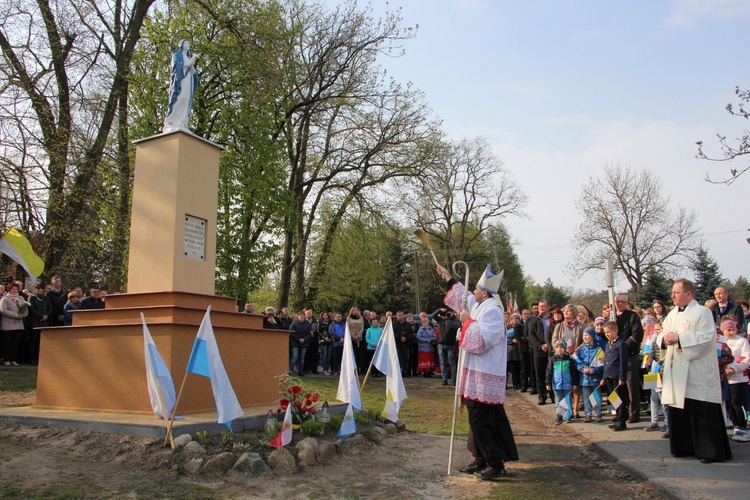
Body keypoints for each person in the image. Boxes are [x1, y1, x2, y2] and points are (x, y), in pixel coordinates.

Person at [437, 263, 518, 481]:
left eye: (477, 288)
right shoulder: (481, 305)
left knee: (482, 419)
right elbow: (464, 297)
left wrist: (467, 322)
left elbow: (483, 339)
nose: (473, 291)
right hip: (475, 372)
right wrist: (448, 277)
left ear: (486, 291)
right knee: (478, 418)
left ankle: (496, 463)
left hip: (485, 373)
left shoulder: (492, 310)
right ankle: (482, 458)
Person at [658, 279, 732, 463]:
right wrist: (664, 337)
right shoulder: (672, 314)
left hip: (697, 369)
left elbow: (707, 337)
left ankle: (709, 451)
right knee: (680, 408)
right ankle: (683, 447)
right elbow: (662, 332)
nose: (672, 296)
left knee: (701, 410)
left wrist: (679, 338)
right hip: (677, 370)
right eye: (672, 292)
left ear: (689, 294)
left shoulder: (702, 312)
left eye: (676, 292)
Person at [614, 293, 644, 423]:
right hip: (615, 358)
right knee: (615, 386)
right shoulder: (611, 317)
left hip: (629, 355)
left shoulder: (633, 316)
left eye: (622, 301)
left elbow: (637, 335)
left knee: (631, 386)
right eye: (617, 301)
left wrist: (622, 347)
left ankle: (634, 412)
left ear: (626, 303)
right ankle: (620, 411)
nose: (620, 304)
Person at [720, 317, 750, 442]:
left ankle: (743, 427)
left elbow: (746, 359)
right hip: (725, 378)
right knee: (729, 403)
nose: (731, 332)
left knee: (736, 402)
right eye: (728, 330)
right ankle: (737, 426)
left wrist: (734, 369)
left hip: (738, 378)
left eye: (733, 329)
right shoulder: (721, 342)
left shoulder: (742, 341)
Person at [163, 39, 199, 132]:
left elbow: (193, 71)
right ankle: (172, 121)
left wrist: (191, 64)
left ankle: (182, 122)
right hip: (180, 81)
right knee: (180, 97)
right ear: (181, 45)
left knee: (186, 99)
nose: (188, 45)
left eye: (189, 43)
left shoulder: (187, 57)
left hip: (188, 81)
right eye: (186, 43)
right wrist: (192, 60)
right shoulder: (177, 55)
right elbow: (177, 66)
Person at [601, 321, 629, 431]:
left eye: (609, 332)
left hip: (617, 376)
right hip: (608, 376)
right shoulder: (607, 345)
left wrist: (622, 377)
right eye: (605, 332)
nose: (607, 334)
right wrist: (603, 377)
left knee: (620, 399)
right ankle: (618, 417)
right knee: (613, 399)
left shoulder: (621, 344)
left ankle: (622, 420)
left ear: (615, 331)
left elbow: (623, 361)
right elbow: (606, 362)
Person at [546, 340, 579, 425]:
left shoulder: (569, 360)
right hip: (557, 384)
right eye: (557, 347)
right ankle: (559, 416)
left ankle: (568, 416)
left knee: (567, 400)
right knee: (558, 400)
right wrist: (548, 383)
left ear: (565, 348)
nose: (559, 349)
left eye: (561, 347)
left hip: (567, 384)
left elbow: (573, 372)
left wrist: (574, 383)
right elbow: (549, 372)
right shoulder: (553, 359)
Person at [527, 300, 553, 404]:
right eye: (539, 306)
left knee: (552, 373)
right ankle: (542, 395)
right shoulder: (534, 320)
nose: (540, 308)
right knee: (540, 373)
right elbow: (531, 335)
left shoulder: (553, 319)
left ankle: (553, 395)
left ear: (548, 307)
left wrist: (550, 345)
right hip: (539, 350)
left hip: (552, 350)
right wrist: (540, 345)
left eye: (543, 306)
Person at [576, 328, 604, 422]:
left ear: (592, 336)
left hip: (595, 378)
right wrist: (583, 369)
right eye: (584, 335)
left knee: (595, 396)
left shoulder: (598, 349)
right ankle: (587, 414)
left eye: (587, 335)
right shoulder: (581, 349)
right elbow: (577, 362)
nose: (585, 337)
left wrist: (594, 370)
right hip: (584, 379)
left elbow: (602, 364)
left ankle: (598, 413)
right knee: (586, 397)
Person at [1, 281, 29, 365]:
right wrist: (16, 315)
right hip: (8, 324)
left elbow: (26, 308)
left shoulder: (21, 298)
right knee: (7, 343)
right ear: (9, 289)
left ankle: (13, 359)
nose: (15, 291)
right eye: (13, 289)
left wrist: (23, 314)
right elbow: (3, 310)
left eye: (16, 289)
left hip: (19, 325)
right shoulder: (5, 299)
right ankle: (6, 360)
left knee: (15, 343)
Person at [434, 308, 460, 386]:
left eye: (448, 313)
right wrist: (439, 310)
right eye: (446, 313)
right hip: (441, 344)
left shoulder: (455, 320)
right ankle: (444, 379)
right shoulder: (442, 320)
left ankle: (453, 380)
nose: (447, 315)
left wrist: (449, 319)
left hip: (450, 345)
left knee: (452, 363)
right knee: (443, 363)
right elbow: (433, 316)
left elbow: (456, 326)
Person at [27, 282, 51, 365]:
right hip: (35, 322)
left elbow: (50, 308)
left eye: (41, 288)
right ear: (35, 289)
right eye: (38, 288)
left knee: (42, 341)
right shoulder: (32, 297)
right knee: (34, 341)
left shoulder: (45, 298)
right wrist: (41, 316)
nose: (40, 290)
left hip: (44, 322)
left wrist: (46, 316)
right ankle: (32, 358)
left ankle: (40, 358)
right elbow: (32, 309)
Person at [288, 310, 311, 376]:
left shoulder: (307, 324)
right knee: (294, 356)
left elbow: (309, 334)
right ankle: (290, 371)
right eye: (301, 315)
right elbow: (291, 332)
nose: (302, 317)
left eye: (303, 316)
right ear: (298, 316)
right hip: (295, 342)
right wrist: (298, 339)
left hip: (304, 343)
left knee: (302, 358)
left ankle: (300, 371)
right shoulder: (294, 323)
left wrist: (304, 339)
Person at [392, 311, 413, 378]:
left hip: (406, 344)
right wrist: (399, 338)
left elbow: (411, 333)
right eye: (399, 315)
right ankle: (398, 372)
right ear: (396, 316)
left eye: (401, 315)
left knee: (406, 359)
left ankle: (405, 372)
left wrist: (405, 338)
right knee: (398, 358)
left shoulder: (408, 324)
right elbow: (392, 333)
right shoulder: (394, 324)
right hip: (398, 344)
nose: (400, 316)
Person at [506, 313, 522, 390]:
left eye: (516, 319)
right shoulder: (508, 328)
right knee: (512, 368)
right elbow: (505, 338)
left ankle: (519, 383)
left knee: (519, 368)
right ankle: (514, 384)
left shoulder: (522, 327)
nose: (514, 321)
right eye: (513, 319)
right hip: (511, 351)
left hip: (520, 349)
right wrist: (512, 341)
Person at [330, 312, 345, 377]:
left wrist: (343, 338)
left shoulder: (344, 324)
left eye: (340, 317)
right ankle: (335, 371)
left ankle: (342, 371)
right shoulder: (332, 324)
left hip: (343, 344)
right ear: (335, 317)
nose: (339, 318)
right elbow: (332, 333)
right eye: (337, 317)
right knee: (335, 358)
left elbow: (346, 332)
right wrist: (339, 339)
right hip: (336, 344)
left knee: (342, 358)